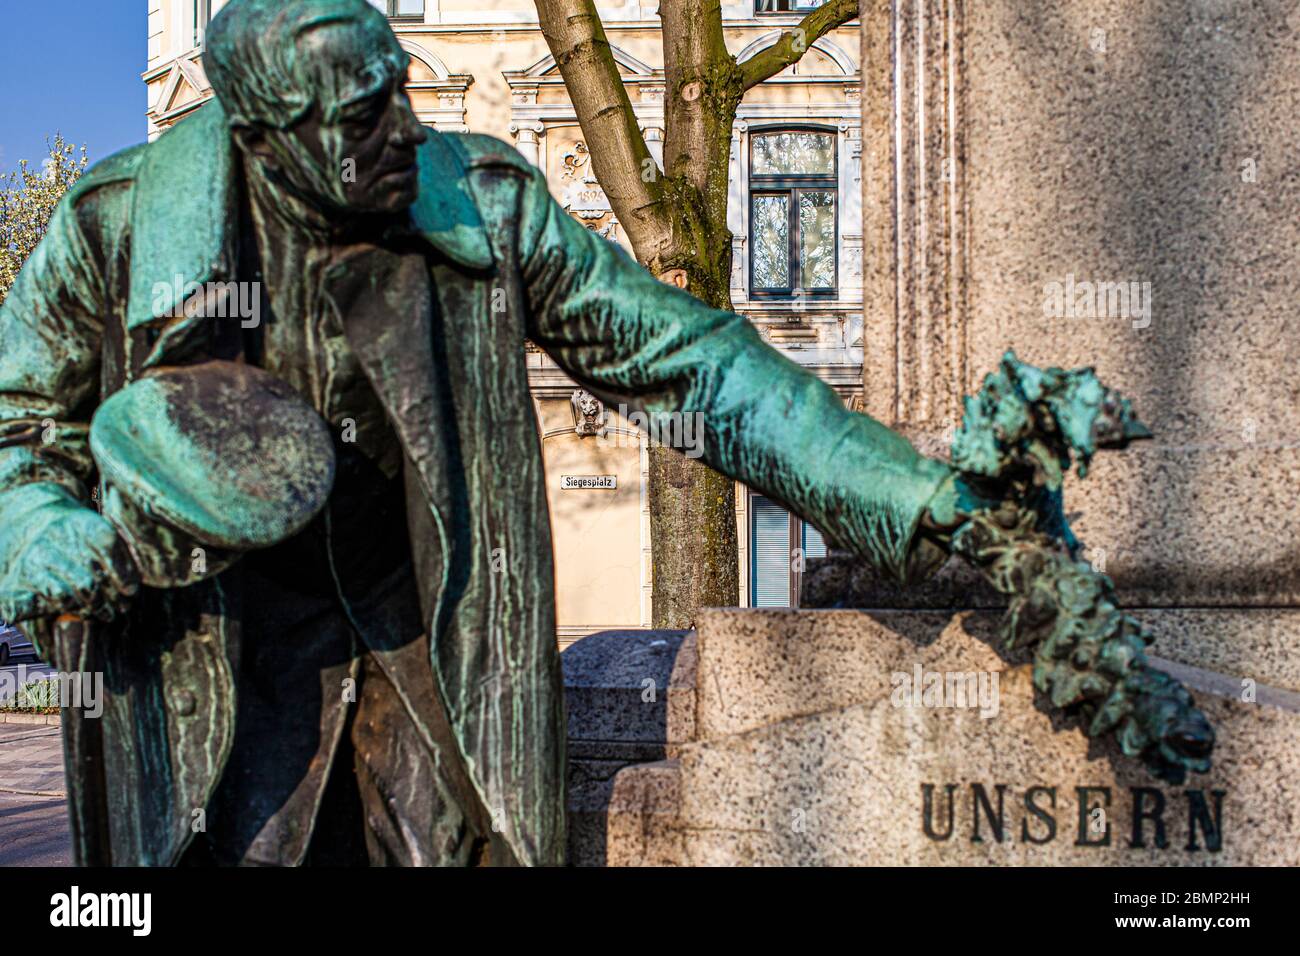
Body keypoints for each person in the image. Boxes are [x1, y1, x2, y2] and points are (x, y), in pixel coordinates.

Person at [0, 0, 981, 866]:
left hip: (439, 652)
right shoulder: (112, 228)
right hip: (220, 672)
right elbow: (17, 430)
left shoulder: (481, 199)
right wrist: (42, 528)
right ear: (265, 139)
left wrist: (899, 490)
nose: (405, 128)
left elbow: (692, 359)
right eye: (363, 116)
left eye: (395, 90)